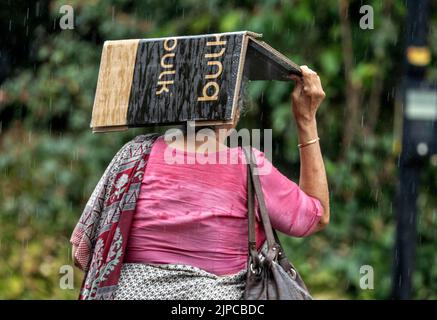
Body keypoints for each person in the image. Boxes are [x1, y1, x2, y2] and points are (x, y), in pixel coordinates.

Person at [70, 65, 329, 300]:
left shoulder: (134, 155)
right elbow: (316, 216)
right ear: (233, 114)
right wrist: (306, 120)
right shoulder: (249, 168)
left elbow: (82, 252)